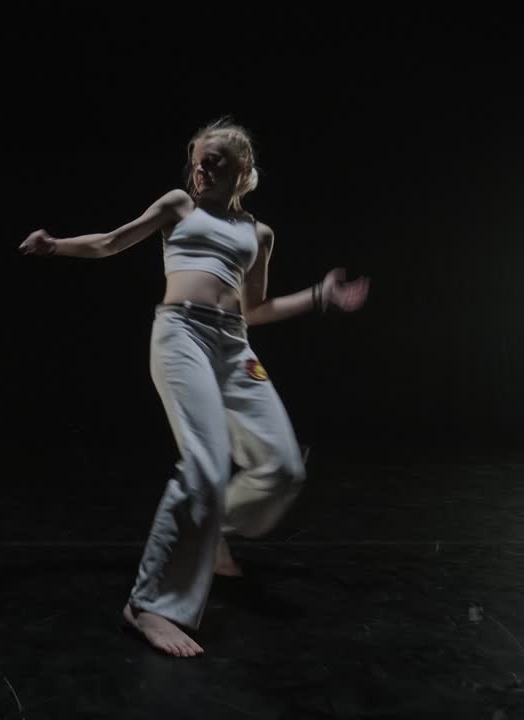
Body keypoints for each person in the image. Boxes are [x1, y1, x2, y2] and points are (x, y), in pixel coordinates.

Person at [20, 119, 369, 657]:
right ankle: (148, 606)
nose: (201, 168)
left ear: (244, 170)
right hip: (181, 333)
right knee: (204, 468)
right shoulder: (180, 205)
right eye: (198, 159)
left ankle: (213, 531)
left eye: (215, 161)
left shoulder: (259, 234)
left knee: (283, 468)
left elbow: (255, 310)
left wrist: (318, 296)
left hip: (235, 346)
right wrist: (56, 245)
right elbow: (112, 242)